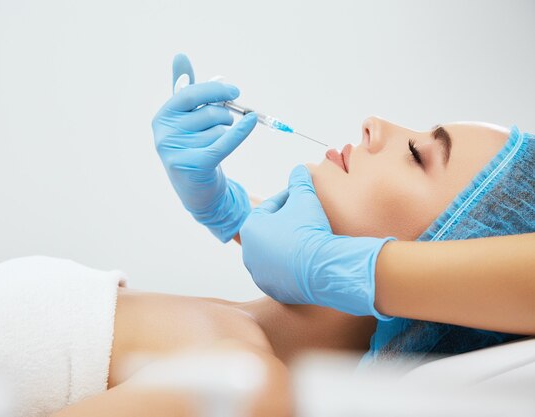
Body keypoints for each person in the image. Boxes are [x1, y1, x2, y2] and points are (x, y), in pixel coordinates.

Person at [157, 54, 534, 365]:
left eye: (416, 156)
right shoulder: (225, 336)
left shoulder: (237, 374)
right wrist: (230, 211)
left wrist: (322, 262)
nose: (374, 124)